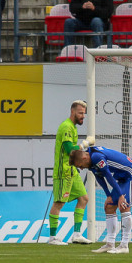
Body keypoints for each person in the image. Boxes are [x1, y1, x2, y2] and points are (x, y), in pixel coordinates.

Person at [69, 146, 132, 254]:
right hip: (123, 178)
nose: (81, 168)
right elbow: (100, 177)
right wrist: (108, 195)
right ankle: (110, 244)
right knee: (109, 207)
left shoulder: (96, 157)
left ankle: (124, 246)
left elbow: (108, 176)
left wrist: (120, 196)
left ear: (84, 158)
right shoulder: (90, 161)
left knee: (124, 206)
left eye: (80, 165)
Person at [49, 100, 92, 246]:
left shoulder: (72, 127)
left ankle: (77, 235)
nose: (83, 116)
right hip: (63, 171)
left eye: (84, 113)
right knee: (59, 202)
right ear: (72, 111)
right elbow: (70, 150)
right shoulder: (67, 127)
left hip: (72, 171)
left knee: (84, 198)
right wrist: (85, 144)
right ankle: (53, 237)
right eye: (80, 113)